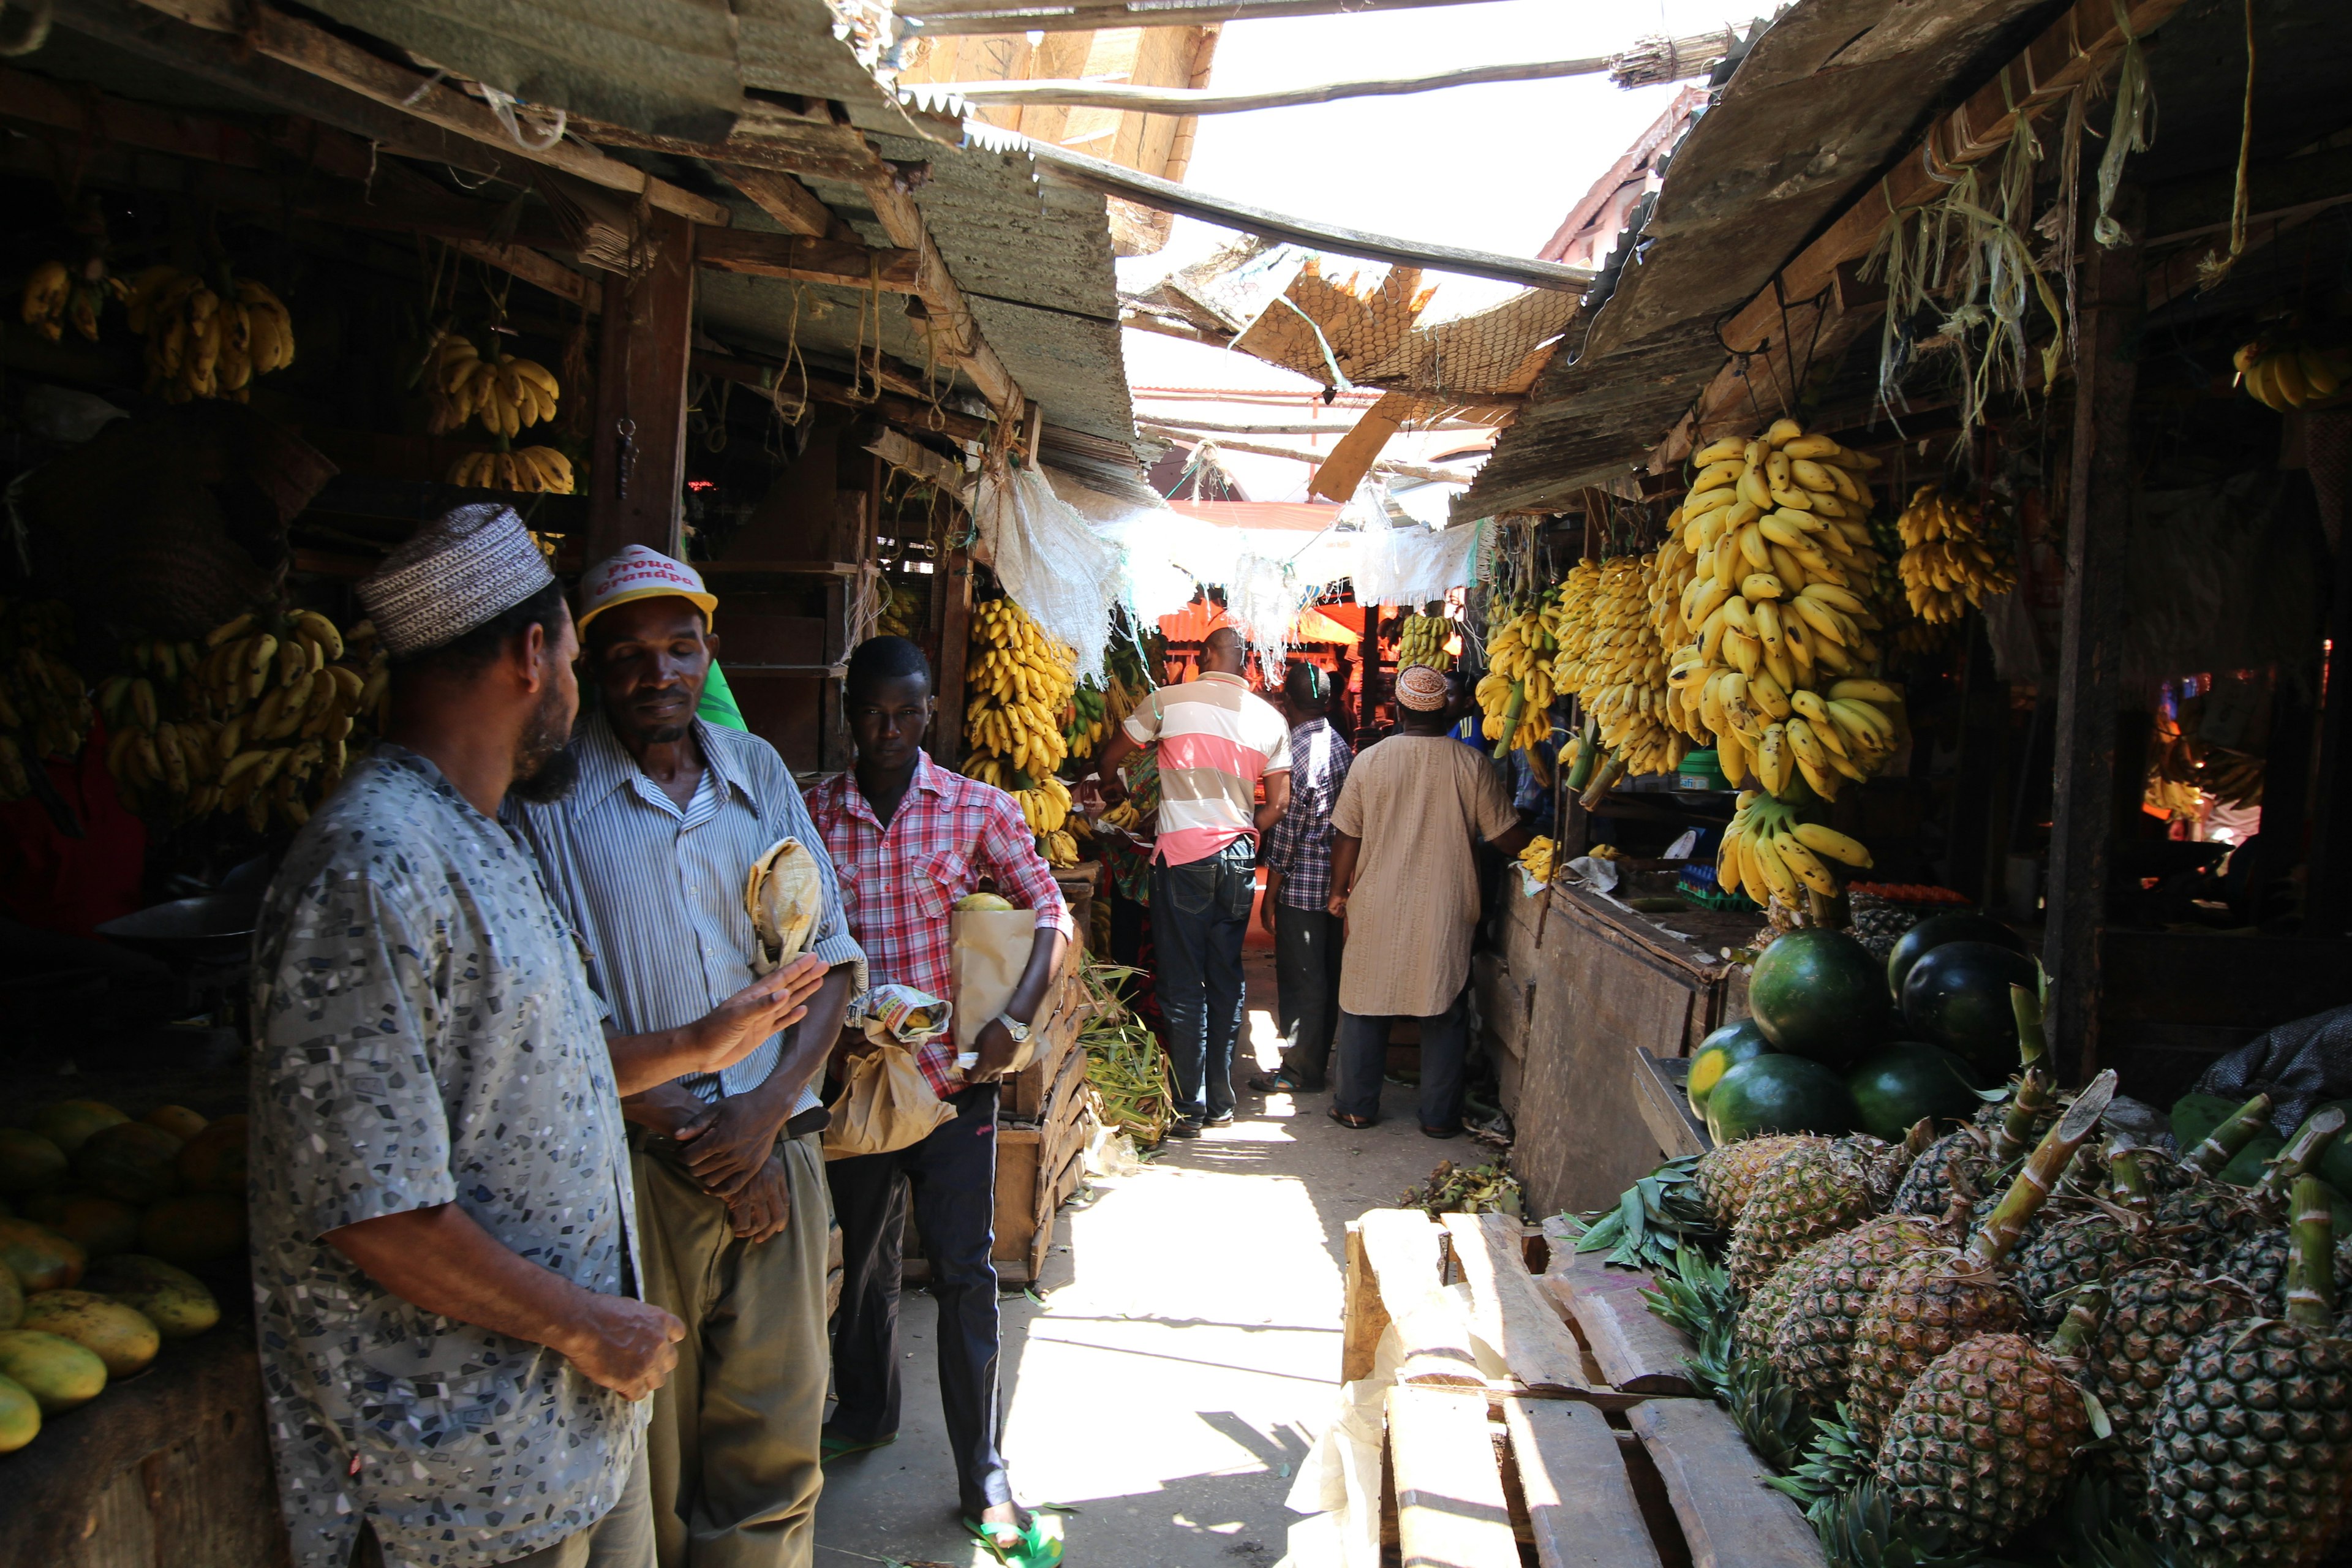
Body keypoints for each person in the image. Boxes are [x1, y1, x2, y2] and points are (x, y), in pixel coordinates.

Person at [248, 506, 831, 1568]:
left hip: (547, 1447)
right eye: (582, 651)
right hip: (454, 1471)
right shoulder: (373, 866)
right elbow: (370, 1208)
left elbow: (555, 1069)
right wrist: (585, 1323)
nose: (610, 680)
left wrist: (713, 1049)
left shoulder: (468, 837)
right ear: (536, 657)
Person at [510, 546, 865, 1568]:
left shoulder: (753, 771)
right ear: (588, 668)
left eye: (679, 647)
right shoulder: (551, 801)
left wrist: (760, 1122)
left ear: (708, 651)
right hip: (639, 1163)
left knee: (776, 1447)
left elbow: (833, 962)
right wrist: (699, 1135)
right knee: (649, 1457)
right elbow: (552, 1024)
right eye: (626, 655)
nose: (656, 672)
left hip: (776, 1144)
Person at [803, 635, 1071, 1566]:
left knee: (965, 1274)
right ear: (850, 713)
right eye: (873, 713)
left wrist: (1018, 1020)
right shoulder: (810, 817)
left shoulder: (973, 809)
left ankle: (982, 1474)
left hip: (955, 1087)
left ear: (930, 715)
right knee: (865, 1258)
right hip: (862, 1086)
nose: (889, 731)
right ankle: (868, 1409)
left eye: (907, 714)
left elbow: (1049, 912)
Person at [1095, 625, 1290, 1136]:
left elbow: (1111, 758)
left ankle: (1190, 1104)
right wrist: (1245, 832)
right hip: (1239, 861)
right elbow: (1282, 803)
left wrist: (1117, 788)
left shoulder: (1167, 702)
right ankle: (1222, 1098)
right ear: (1246, 663)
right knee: (1225, 974)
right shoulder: (1270, 719)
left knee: (1183, 985)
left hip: (1181, 859)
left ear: (1204, 656)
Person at [1325, 663, 1532, 1136]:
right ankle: (1439, 1118)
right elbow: (1505, 837)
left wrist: (1339, 892)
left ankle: (1356, 1105)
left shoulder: (1370, 761)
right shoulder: (1471, 764)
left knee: (1364, 1002)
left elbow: (1346, 834)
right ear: (1446, 710)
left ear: (1398, 710)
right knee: (1443, 1007)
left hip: (1376, 901)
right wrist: (1547, 849)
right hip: (1446, 904)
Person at [1247, 662, 1353, 1095]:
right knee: (1324, 976)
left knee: (1302, 979)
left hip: (1303, 885)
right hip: (1334, 882)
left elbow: (1287, 834)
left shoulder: (1297, 753)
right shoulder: (1340, 744)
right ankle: (1312, 1060)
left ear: (1286, 703)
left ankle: (1299, 1070)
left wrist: (1270, 893)